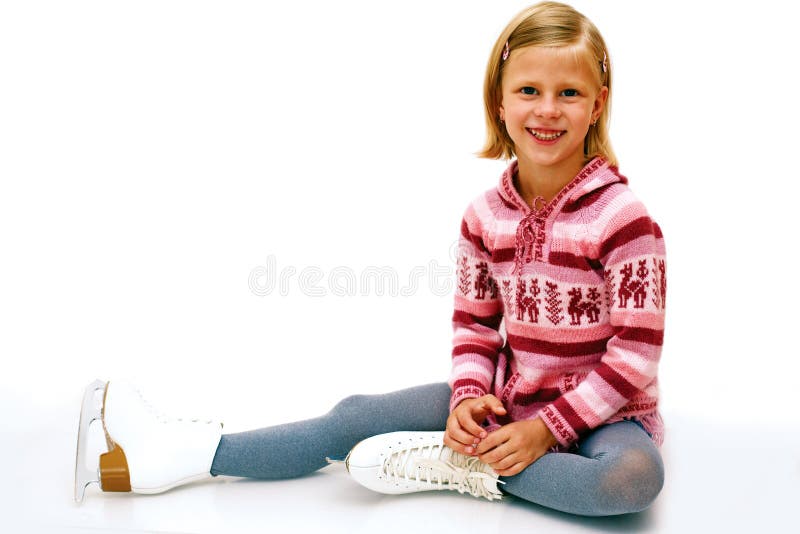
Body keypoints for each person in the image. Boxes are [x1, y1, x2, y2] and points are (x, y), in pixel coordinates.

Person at [74, 1, 666, 517]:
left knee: (632, 480)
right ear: (501, 102)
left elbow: (635, 354)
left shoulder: (622, 218)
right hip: (509, 395)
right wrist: (465, 397)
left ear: (597, 105)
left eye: (569, 93)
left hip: (604, 419)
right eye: (529, 91)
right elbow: (476, 325)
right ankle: (179, 453)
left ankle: (460, 466)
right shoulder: (484, 215)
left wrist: (547, 430)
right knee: (356, 414)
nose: (547, 110)